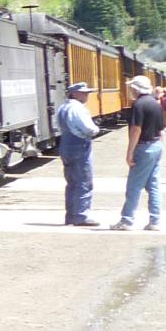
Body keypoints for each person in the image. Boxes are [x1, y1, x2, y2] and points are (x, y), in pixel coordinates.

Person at [114, 74, 165, 232]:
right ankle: (155, 221)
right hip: (157, 145)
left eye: (131, 87)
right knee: (153, 185)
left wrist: (130, 152)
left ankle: (127, 220)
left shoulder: (139, 105)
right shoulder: (155, 103)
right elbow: (162, 127)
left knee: (134, 186)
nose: (130, 90)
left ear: (136, 88)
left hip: (144, 147)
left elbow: (136, 129)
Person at [55, 81, 101, 226]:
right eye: (84, 93)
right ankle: (81, 216)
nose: (86, 95)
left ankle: (71, 215)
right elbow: (88, 128)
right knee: (84, 182)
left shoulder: (62, 107)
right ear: (74, 94)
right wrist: (96, 130)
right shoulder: (77, 108)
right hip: (80, 145)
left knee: (71, 183)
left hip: (66, 145)